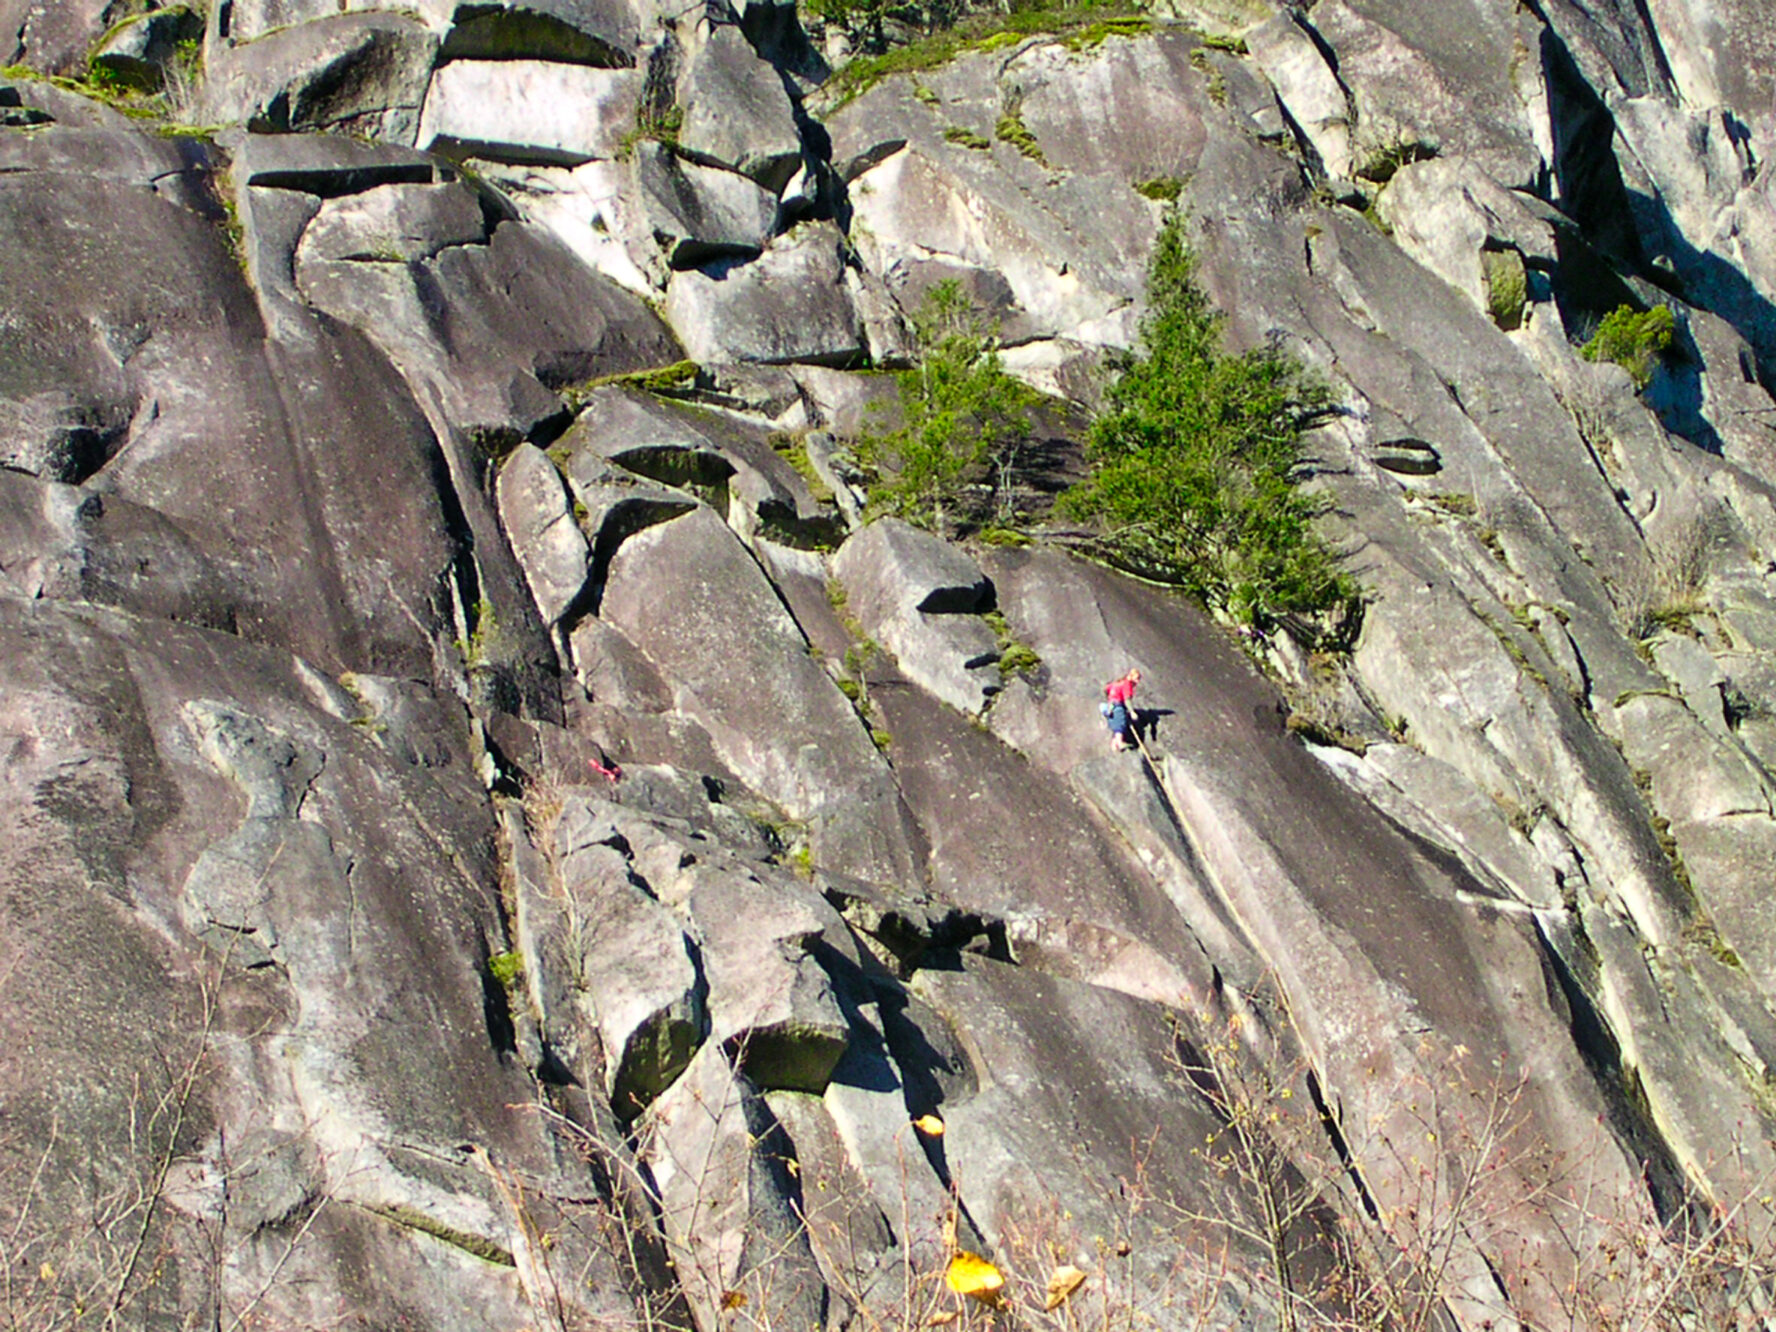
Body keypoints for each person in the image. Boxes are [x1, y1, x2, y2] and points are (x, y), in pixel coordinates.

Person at [1103, 668, 1141, 751]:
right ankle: (1120, 743)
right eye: (1137, 678)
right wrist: (1132, 712)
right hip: (1118, 706)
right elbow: (1127, 699)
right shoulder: (1127, 684)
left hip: (1110, 707)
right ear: (1131, 677)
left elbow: (1106, 689)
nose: (1138, 682)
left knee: (1115, 725)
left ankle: (1114, 745)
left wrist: (1110, 698)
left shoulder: (1118, 682)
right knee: (1120, 724)